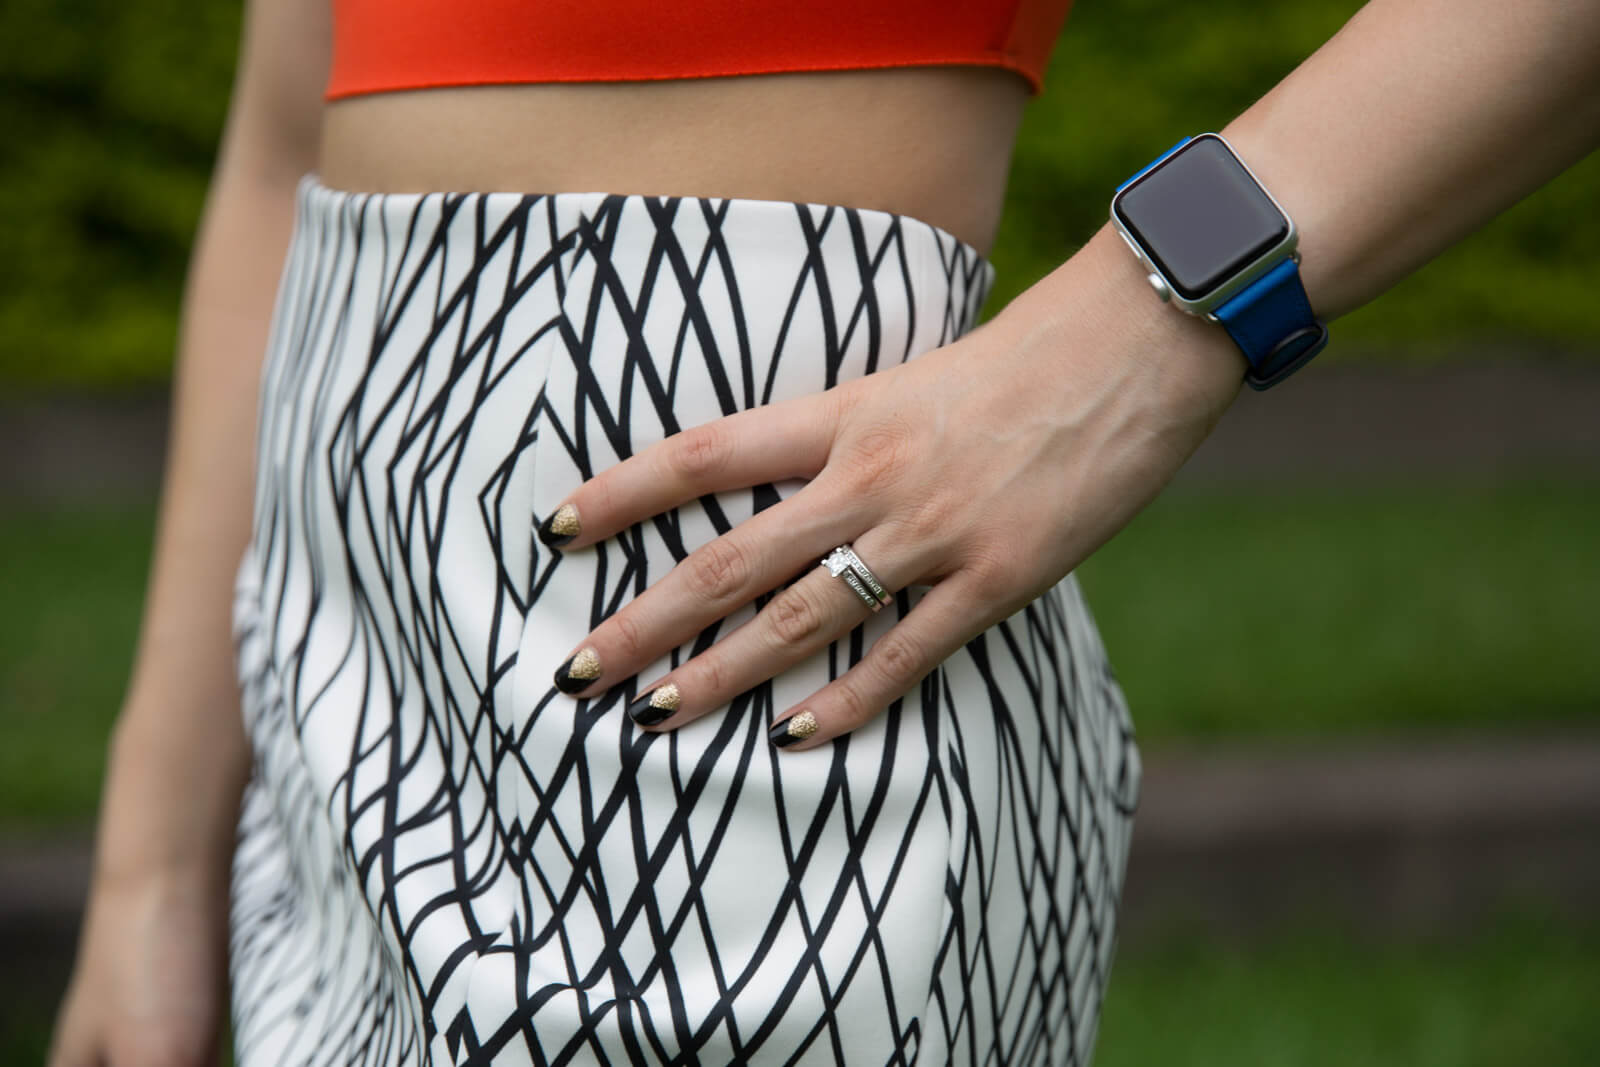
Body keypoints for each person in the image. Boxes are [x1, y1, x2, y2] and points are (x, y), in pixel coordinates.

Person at [49, 0, 1600, 1063]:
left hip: (751, 718)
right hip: (344, 717)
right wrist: (153, 863)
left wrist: (1141, 330)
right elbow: (279, 146)